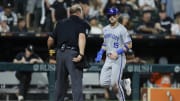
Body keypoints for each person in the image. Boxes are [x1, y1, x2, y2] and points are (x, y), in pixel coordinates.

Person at [47, 4, 86, 101]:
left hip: (60, 54)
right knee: (76, 83)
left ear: (70, 12)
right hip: (72, 54)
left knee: (60, 83)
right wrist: (81, 54)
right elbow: (81, 37)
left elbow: (50, 40)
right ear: (78, 13)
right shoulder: (81, 22)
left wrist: (52, 55)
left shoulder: (60, 23)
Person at [95, 7, 132, 101]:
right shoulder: (105, 29)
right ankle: (124, 82)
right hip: (108, 58)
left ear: (118, 15)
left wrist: (118, 52)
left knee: (115, 84)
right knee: (103, 82)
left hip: (118, 58)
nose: (111, 17)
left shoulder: (122, 29)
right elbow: (105, 43)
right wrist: (100, 52)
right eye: (109, 15)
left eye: (113, 15)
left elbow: (129, 44)